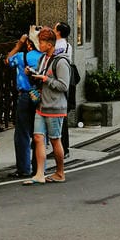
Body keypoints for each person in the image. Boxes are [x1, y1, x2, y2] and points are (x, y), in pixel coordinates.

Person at [25, 27, 70, 184]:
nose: (40, 45)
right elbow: (39, 78)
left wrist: (46, 79)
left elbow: (64, 85)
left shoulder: (61, 61)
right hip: (42, 105)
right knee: (38, 137)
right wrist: (31, 74)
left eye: (42, 42)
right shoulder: (42, 59)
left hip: (55, 107)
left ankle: (60, 172)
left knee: (55, 139)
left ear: (50, 44)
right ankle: (39, 173)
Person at [5, 31, 43, 178]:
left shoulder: (22, 57)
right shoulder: (45, 58)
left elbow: (7, 60)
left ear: (29, 44)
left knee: (22, 133)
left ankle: (24, 168)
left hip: (25, 96)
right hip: (40, 96)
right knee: (39, 132)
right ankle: (39, 167)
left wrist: (18, 44)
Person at [53, 22, 74, 153]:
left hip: (57, 82)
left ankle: (62, 148)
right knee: (62, 116)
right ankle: (63, 147)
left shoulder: (57, 47)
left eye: (55, 28)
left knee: (59, 117)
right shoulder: (68, 46)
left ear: (58, 32)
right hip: (65, 81)